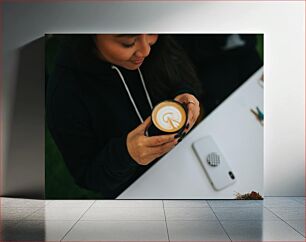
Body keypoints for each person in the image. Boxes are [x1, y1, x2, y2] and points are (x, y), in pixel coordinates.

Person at [46, 34, 202, 198]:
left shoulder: (157, 42)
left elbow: (179, 71)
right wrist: (127, 155)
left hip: (184, 157)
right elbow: (87, 176)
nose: (146, 50)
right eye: (128, 43)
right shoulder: (64, 96)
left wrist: (184, 93)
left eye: (151, 31)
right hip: (134, 188)